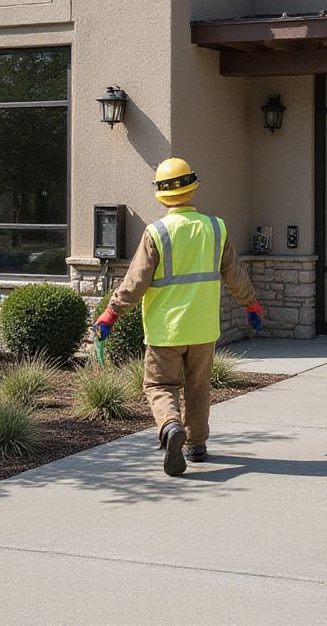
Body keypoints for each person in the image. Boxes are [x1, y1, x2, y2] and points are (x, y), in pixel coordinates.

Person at [93, 158, 264, 477]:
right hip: (202, 328)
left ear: (160, 195)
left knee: (159, 384)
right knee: (198, 388)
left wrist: (111, 312)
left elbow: (135, 281)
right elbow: (235, 275)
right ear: (193, 187)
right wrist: (250, 304)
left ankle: (171, 426)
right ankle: (197, 446)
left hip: (165, 330)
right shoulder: (216, 228)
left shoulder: (156, 233)